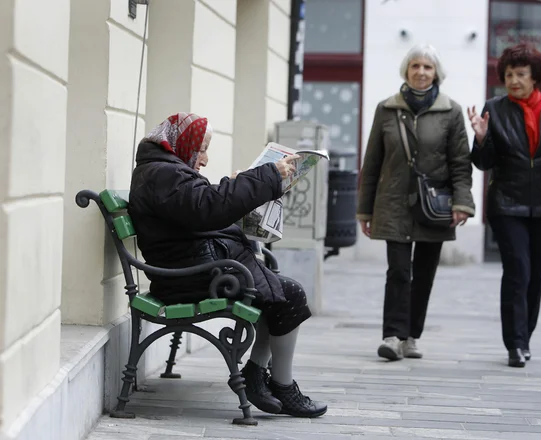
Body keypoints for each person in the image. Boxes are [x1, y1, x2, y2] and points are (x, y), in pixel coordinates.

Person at [128, 112, 327, 417]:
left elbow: (199, 206)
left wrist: (234, 186)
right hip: (191, 277)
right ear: (183, 145)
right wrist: (263, 177)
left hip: (195, 268)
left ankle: (258, 374)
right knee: (291, 295)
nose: (204, 159)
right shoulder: (163, 174)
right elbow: (207, 210)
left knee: (275, 292)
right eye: (201, 149)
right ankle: (281, 386)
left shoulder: (164, 171)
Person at [468, 43, 541, 368]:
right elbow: (483, 162)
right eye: (508, 75)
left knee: (536, 276)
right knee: (517, 271)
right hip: (507, 204)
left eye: (520, 74)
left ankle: (525, 337)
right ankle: (515, 345)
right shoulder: (495, 107)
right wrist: (480, 138)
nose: (514, 80)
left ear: (535, 77)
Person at [357, 44, 475, 361]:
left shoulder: (451, 111)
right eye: (415, 66)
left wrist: (462, 202)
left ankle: (412, 335)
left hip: (434, 204)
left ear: (436, 73)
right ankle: (393, 336)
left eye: (427, 67)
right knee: (398, 271)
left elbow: (460, 162)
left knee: (424, 273)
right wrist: (365, 209)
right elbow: (372, 162)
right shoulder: (387, 109)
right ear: (406, 71)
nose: (421, 72)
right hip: (393, 202)